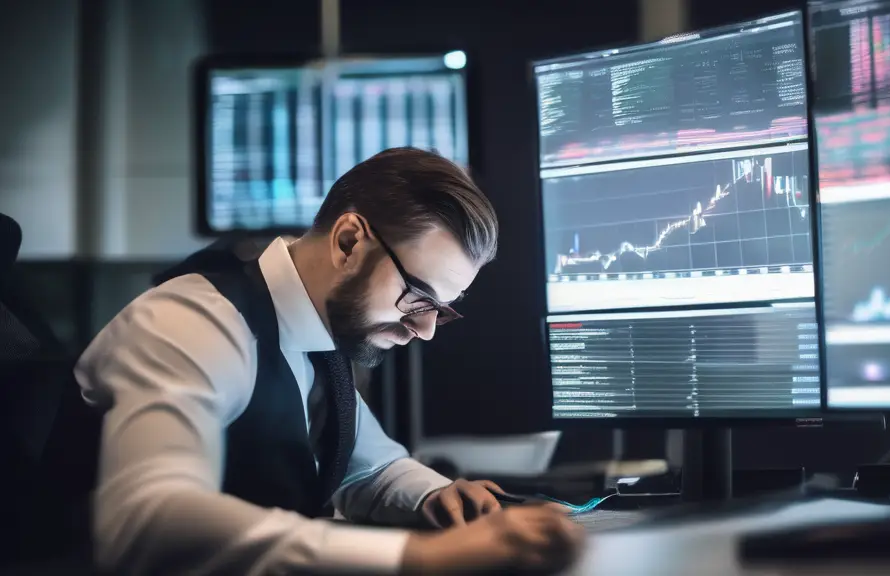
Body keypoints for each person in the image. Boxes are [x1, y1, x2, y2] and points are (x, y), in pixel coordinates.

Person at [75, 148, 583, 575]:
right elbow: (145, 521)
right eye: (417, 297)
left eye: (440, 311)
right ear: (349, 242)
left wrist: (435, 497)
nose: (424, 330)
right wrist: (419, 557)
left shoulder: (319, 340)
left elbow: (369, 469)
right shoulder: (194, 321)